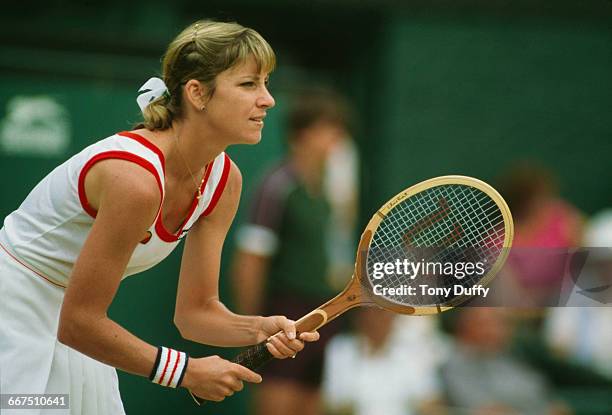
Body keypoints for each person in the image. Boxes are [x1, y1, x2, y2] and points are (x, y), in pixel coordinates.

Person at [0, 20, 319, 415]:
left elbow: (195, 314)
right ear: (198, 93)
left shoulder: (224, 181)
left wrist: (257, 328)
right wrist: (185, 371)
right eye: (249, 84)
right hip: (13, 314)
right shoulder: (134, 181)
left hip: (73, 325)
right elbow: (79, 323)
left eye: (266, 83)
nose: (268, 99)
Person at [231, 90, 352, 415]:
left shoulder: (325, 192)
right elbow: (250, 261)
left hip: (323, 316)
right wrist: (252, 328)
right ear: (302, 135)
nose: (336, 140)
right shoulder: (277, 185)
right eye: (329, 130)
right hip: (285, 313)